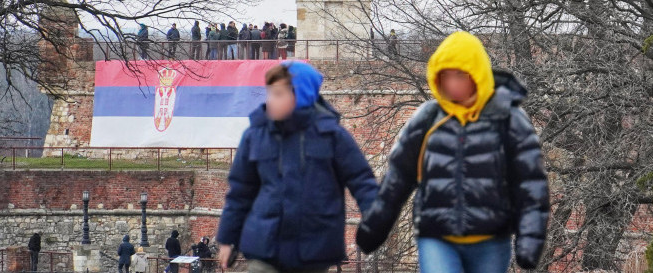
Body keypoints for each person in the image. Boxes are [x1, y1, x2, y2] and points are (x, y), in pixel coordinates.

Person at [356, 31, 550, 273]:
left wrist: (529, 240)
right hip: (436, 237)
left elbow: (530, 183)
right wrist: (373, 229)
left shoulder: (509, 118)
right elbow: (397, 179)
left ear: (477, 74)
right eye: (445, 76)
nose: (452, 84)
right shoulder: (427, 119)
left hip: (491, 238)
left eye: (460, 75)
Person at [216, 61, 379, 273]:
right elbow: (240, 191)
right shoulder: (256, 135)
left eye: (278, 94)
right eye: (269, 93)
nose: (270, 100)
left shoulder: (332, 136)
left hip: (314, 247)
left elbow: (362, 181)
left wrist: (375, 218)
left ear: (300, 96)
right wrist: (227, 239)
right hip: (265, 245)